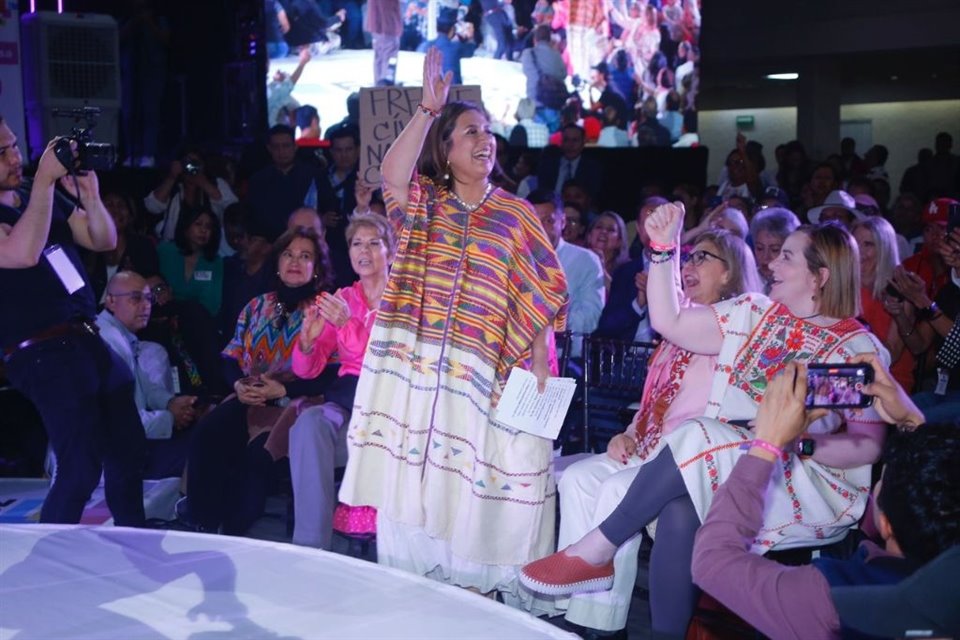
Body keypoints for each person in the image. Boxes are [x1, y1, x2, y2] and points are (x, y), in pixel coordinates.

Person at [521, 205, 889, 637]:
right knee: (680, 510)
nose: (770, 262)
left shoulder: (853, 348)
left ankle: (598, 548)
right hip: (725, 457)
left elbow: (867, 445)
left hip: (800, 475)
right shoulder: (754, 315)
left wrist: (792, 442)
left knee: (696, 433)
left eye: (786, 256)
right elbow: (669, 320)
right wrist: (662, 249)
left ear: (820, 276)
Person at [338, 48, 568, 609]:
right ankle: (416, 593)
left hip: (484, 370)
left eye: (487, 133)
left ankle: (474, 595)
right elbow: (390, 174)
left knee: (476, 485)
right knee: (414, 481)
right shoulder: (425, 204)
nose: (483, 140)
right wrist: (426, 109)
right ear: (445, 148)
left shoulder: (515, 216)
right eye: (468, 132)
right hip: (418, 371)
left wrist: (540, 356)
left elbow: (539, 290)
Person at [555, 230, 763, 634]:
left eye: (702, 258)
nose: (688, 267)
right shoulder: (677, 332)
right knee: (579, 479)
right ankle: (578, 611)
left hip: (687, 466)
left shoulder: (738, 326)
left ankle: (602, 621)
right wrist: (628, 431)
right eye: (686, 259)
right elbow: (654, 403)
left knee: (617, 491)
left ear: (730, 272)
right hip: (647, 449)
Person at [692, 357, 960, 640]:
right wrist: (910, 421)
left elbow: (713, 562)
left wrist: (766, 443)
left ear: (886, 525)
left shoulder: (832, 602)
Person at [0, 122, 146, 525]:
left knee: (128, 452)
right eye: (3, 153)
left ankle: (133, 541)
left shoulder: (32, 193)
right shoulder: (37, 193)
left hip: (84, 335)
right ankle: (50, 565)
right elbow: (23, 252)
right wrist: (47, 180)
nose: (16, 158)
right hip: (41, 350)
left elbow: (102, 239)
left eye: (14, 147)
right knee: (80, 466)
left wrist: (92, 197)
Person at [177, 227, 334, 534]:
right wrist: (237, 384)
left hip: (297, 402)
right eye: (288, 254)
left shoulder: (327, 309)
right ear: (276, 262)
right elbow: (230, 356)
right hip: (249, 397)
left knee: (255, 462)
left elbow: (333, 373)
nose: (295, 262)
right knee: (207, 434)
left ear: (317, 268)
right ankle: (203, 526)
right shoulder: (257, 306)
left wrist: (285, 388)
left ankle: (236, 538)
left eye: (305, 256)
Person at [289, 213, 395, 549]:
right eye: (355, 243)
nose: (363, 250)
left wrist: (349, 326)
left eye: (373, 243)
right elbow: (307, 370)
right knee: (308, 424)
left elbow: (385, 358)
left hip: (392, 403)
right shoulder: (343, 298)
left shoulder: (404, 300)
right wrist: (307, 341)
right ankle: (309, 546)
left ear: (390, 251)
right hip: (349, 401)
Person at [97, 271, 198, 479]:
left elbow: (146, 386)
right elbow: (123, 421)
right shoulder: (110, 341)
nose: (146, 306)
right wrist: (171, 417)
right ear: (110, 301)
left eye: (149, 298)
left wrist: (171, 403)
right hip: (110, 455)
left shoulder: (119, 335)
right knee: (201, 448)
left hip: (122, 442)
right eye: (136, 298)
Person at [852, 216, 915, 391]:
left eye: (868, 245)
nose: (859, 251)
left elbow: (892, 354)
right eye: (855, 244)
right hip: (850, 376)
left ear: (884, 249)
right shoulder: (844, 287)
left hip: (889, 383)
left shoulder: (900, 288)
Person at [146, 146, 238, 255]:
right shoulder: (173, 186)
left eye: (195, 163)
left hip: (209, 250)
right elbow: (151, 206)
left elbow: (233, 208)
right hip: (175, 250)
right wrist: (171, 177)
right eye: (186, 163)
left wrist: (204, 183)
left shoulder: (215, 183)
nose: (190, 167)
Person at [157, 207, 224, 317]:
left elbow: (212, 304)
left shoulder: (215, 262)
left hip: (197, 321)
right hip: (163, 315)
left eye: (208, 227)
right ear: (185, 227)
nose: (204, 230)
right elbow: (151, 282)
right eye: (198, 224)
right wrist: (158, 290)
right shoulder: (164, 251)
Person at [749, 206, 800, 291]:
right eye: (760, 248)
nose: (765, 257)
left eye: (775, 250)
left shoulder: (799, 286)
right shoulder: (745, 281)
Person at [586, 211, 629, 293]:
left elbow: (623, 299)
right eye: (599, 227)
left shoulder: (628, 269)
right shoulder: (576, 260)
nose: (603, 232)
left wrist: (602, 271)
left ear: (619, 241)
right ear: (589, 236)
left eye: (610, 230)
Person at [366, 0, 402, 85]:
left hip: (378, 22)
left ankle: (380, 83)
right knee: (389, 54)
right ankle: (385, 84)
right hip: (386, 23)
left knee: (380, 54)